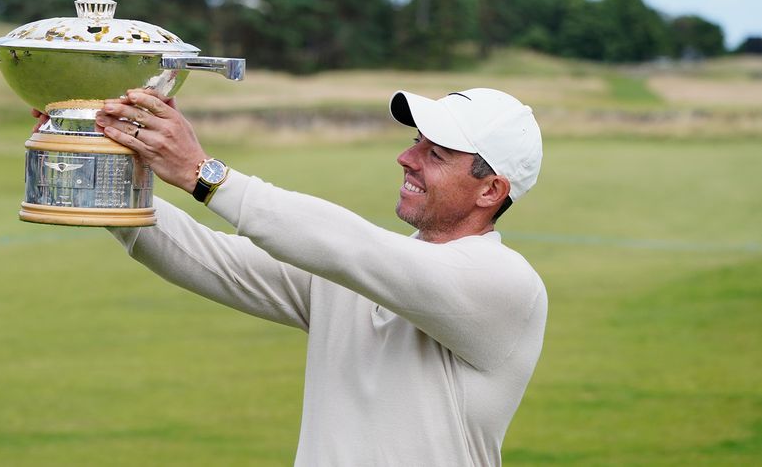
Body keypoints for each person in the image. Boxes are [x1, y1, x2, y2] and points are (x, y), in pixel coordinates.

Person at [40, 86, 547, 466]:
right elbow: (204, 257)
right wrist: (94, 162)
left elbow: (351, 247)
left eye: (435, 154)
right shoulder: (360, 273)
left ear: (490, 191)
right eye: (416, 142)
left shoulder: (503, 284)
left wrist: (203, 172)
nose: (406, 158)